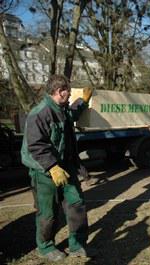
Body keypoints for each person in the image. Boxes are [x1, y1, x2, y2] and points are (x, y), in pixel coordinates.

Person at [20, 75, 93, 261]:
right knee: (48, 213)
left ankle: (77, 244)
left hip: (67, 167)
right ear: (60, 92)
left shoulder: (62, 108)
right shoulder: (40, 113)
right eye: (69, 91)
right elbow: (36, 146)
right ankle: (45, 247)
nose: (70, 95)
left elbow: (72, 114)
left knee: (77, 205)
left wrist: (82, 101)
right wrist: (52, 167)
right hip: (44, 171)